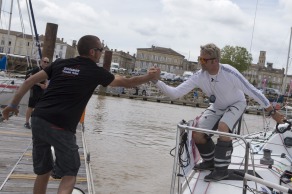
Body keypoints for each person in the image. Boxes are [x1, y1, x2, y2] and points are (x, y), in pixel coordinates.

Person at [1, 35, 159, 194]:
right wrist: (149, 77)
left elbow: (29, 81)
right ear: (93, 52)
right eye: (100, 50)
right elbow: (127, 82)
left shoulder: (60, 64)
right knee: (69, 174)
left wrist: (12, 105)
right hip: (61, 125)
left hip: (38, 119)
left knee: (43, 171)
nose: (102, 52)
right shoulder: (96, 72)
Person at [152, 43, 284, 182]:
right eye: (199, 58)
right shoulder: (199, 76)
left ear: (215, 61)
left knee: (223, 127)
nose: (200, 62)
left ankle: (222, 171)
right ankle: (210, 162)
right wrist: (155, 80)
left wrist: (272, 112)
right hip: (217, 105)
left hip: (236, 103)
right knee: (197, 134)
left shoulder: (229, 73)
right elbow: (175, 93)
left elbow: (253, 91)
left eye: (203, 60)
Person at [24, 57, 50, 129]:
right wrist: (40, 84)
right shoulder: (37, 69)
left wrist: (46, 85)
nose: (46, 63)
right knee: (31, 106)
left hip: (41, 90)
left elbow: (47, 79)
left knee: (37, 107)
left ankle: (34, 122)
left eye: (47, 62)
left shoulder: (46, 70)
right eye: (45, 62)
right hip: (34, 89)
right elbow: (30, 79)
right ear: (41, 61)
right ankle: (26, 122)